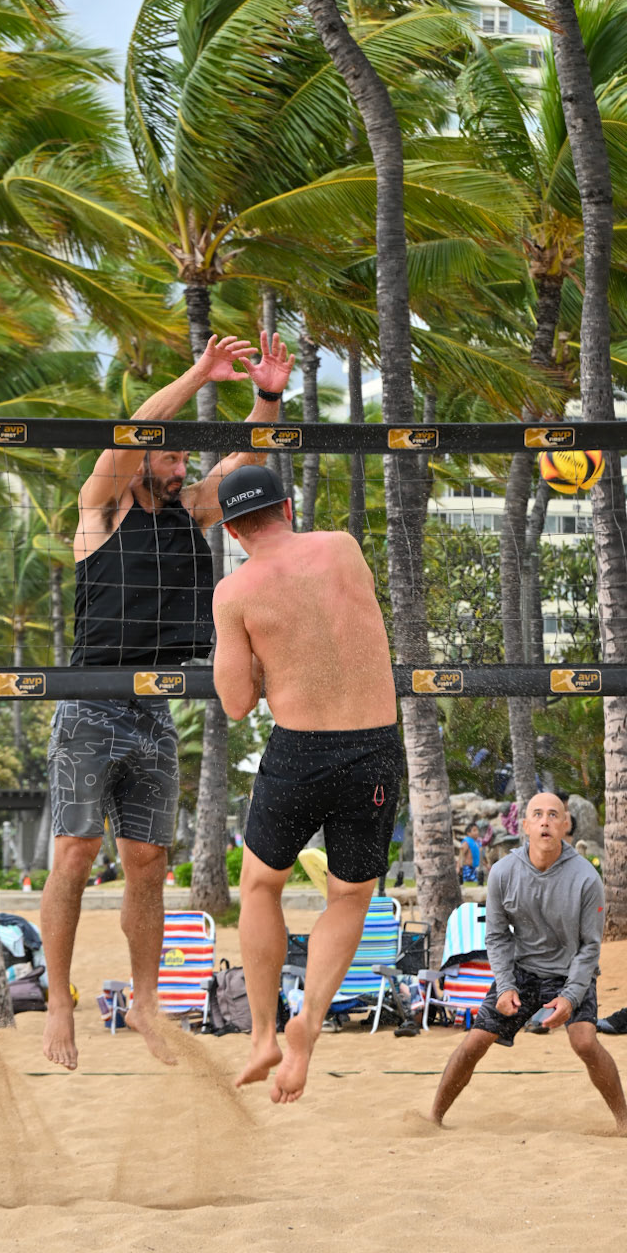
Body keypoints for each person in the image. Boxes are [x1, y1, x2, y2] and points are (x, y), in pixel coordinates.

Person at [40, 332, 293, 1072]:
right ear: (143, 458)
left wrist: (266, 395)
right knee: (74, 853)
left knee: (149, 861)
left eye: (185, 454)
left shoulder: (192, 511)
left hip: (155, 704)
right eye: (168, 452)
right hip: (90, 701)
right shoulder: (102, 509)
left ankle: (146, 1002)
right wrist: (199, 373)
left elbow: (249, 457)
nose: (179, 461)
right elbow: (124, 442)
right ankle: (60, 999)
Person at [211, 464, 401, 1105]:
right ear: (288, 509)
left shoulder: (235, 591)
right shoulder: (342, 547)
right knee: (349, 897)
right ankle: (310, 1024)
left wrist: (263, 654)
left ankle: (264, 1032)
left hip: (301, 751)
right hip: (375, 744)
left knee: (261, 885)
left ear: (234, 530)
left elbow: (236, 702)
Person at [428, 791, 627, 1134]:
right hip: (522, 972)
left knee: (584, 1041)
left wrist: (570, 997)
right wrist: (506, 986)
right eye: (537, 815)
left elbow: (590, 948)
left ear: (566, 825)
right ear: (524, 825)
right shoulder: (503, 873)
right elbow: (496, 936)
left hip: (570, 972)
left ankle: (625, 1122)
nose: (545, 821)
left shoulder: (586, 879)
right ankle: (433, 1118)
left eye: (554, 815)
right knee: (474, 1042)